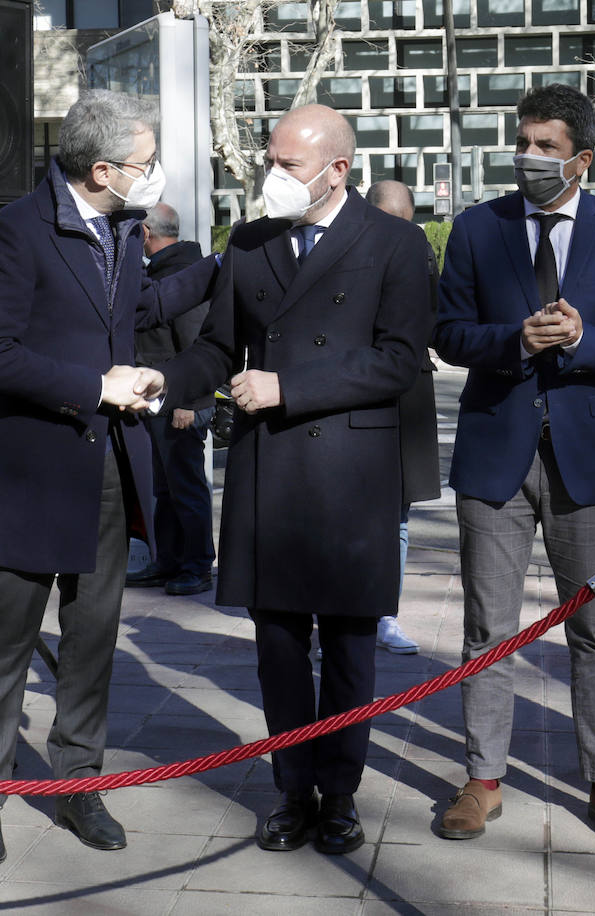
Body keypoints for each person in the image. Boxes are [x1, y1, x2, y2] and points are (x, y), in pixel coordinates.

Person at [135, 104, 434, 855]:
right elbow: (215, 346)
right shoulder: (253, 241)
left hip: (350, 472)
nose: (272, 176)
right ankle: (291, 789)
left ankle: (340, 795)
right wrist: (164, 382)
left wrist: (288, 388)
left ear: (337, 169)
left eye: (287, 165)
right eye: (269, 161)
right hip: (271, 468)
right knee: (275, 643)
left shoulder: (394, 242)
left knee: (347, 645)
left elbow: (399, 359)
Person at [0, 90, 216, 867]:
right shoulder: (18, 231)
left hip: (111, 467)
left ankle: (77, 784)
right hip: (35, 468)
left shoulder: (126, 226)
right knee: (7, 644)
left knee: (92, 638)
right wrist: (91, 385)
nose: (153, 176)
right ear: (101, 169)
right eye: (143, 163)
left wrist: (229, 263)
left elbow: (139, 306)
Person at [431, 84, 595, 842]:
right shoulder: (476, 226)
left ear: (581, 158)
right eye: (523, 143)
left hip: (585, 460)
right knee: (487, 628)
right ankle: (482, 780)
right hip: (495, 452)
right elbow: (448, 333)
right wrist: (513, 341)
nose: (528, 158)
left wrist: (582, 339)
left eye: (546, 147)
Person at [364, 179, 442, 655]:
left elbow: (433, 315)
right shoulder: (350, 244)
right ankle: (341, 619)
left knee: (398, 514)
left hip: (409, 388)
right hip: (356, 387)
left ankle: (385, 616)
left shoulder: (417, 248)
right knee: (348, 514)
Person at [125, 201, 216, 596]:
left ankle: (196, 566)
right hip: (160, 404)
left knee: (186, 487)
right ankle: (169, 561)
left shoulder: (181, 276)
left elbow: (197, 347)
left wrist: (189, 404)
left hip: (179, 404)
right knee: (167, 489)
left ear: (146, 233)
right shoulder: (165, 273)